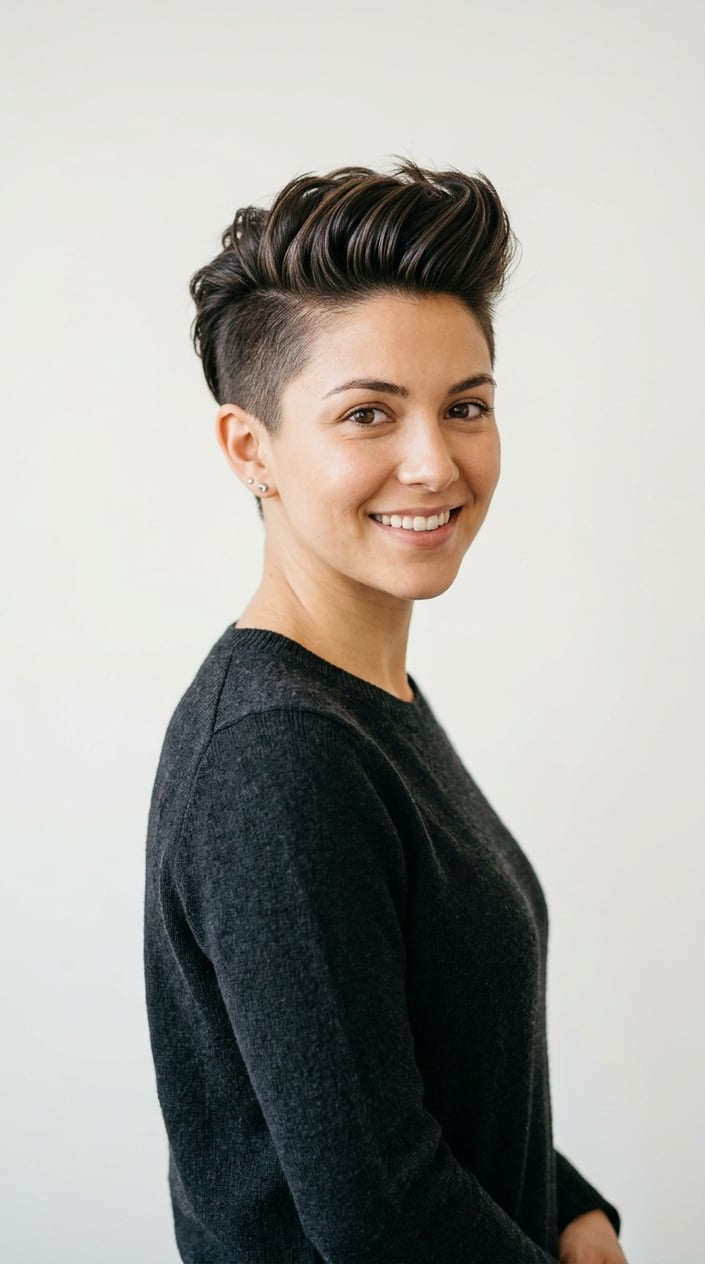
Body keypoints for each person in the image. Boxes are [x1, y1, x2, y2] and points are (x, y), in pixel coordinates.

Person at [143, 162, 628, 1263]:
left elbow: (398, 1075)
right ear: (249, 447)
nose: (434, 461)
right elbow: (379, 1215)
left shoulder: (360, 700)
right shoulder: (278, 756)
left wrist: (567, 1205)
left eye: (467, 406)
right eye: (368, 413)